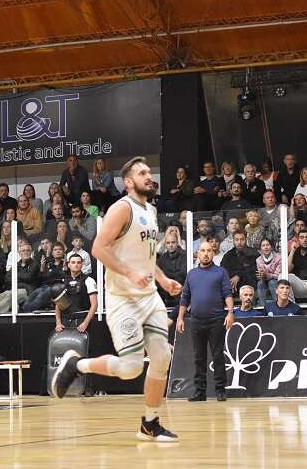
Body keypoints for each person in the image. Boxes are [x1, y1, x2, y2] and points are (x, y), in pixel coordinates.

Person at [50, 157, 182, 442]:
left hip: (149, 296)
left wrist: (162, 280)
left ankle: (150, 423)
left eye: (149, 171)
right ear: (129, 182)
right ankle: (77, 365)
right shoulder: (121, 208)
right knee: (132, 368)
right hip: (124, 298)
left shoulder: (151, 209)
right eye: (142, 173)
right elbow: (98, 248)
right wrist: (129, 273)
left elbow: (146, 257)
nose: (149, 176)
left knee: (162, 357)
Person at [177, 241, 233, 402]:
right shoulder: (191, 274)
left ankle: (220, 390)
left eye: (209, 250)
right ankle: (199, 392)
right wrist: (180, 317)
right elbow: (185, 297)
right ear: (197, 254)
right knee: (198, 357)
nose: (206, 253)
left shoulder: (220, 272)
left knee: (217, 355)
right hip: (196, 320)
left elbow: (227, 293)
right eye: (202, 250)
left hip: (216, 320)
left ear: (213, 253)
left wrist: (230, 312)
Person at [53, 253, 97, 333]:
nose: (76, 265)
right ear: (68, 264)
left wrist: (85, 323)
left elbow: (94, 305)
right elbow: (58, 304)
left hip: (82, 320)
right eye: (73, 262)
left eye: (78, 262)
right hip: (65, 321)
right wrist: (58, 323)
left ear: (82, 265)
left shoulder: (89, 280)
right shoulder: (63, 281)